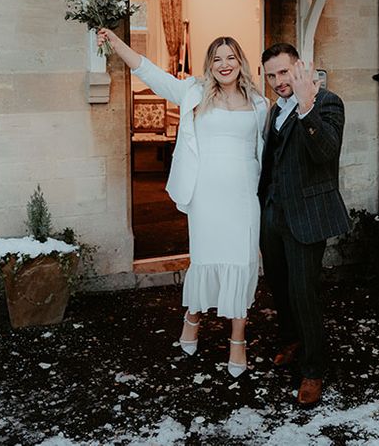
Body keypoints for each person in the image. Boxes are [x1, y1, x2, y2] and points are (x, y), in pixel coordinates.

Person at [97, 29, 268, 377]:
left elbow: (267, 148)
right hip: (207, 197)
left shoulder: (260, 103)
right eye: (217, 58)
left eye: (230, 57)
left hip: (243, 198)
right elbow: (151, 73)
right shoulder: (193, 93)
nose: (224, 64)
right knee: (205, 259)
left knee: (243, 261)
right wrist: (117, 44)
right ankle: (192, 317)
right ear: (209, 65)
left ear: (240, 63)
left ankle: (238, 339)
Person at [258, 43, 349, 407]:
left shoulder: (327, 103)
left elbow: (326, 151)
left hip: (306, 217)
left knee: (304, 292)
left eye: (284, 72)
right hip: (274, 213)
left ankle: (313, 369)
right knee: (279, 286)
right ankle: (292, 339)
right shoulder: (273, 111)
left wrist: (306, 105)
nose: (279, 81)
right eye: (271, 76)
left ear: (299, 68)